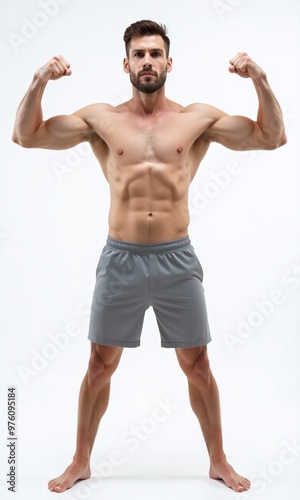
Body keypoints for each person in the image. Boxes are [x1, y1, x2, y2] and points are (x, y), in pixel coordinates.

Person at [12, 20, 286, 494]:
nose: (147, 62)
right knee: (100, 363)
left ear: (168, 63)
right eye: (139, 54)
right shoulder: (102, 118)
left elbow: (271, 137)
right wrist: (38, 82)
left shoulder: (196, 118)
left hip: (177, 259)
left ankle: (218, 460)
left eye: (155, 54)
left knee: (197, 364)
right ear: (126, 64)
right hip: (121, 259)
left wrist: (260, 80)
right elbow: (27, 136)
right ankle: (81, 461)